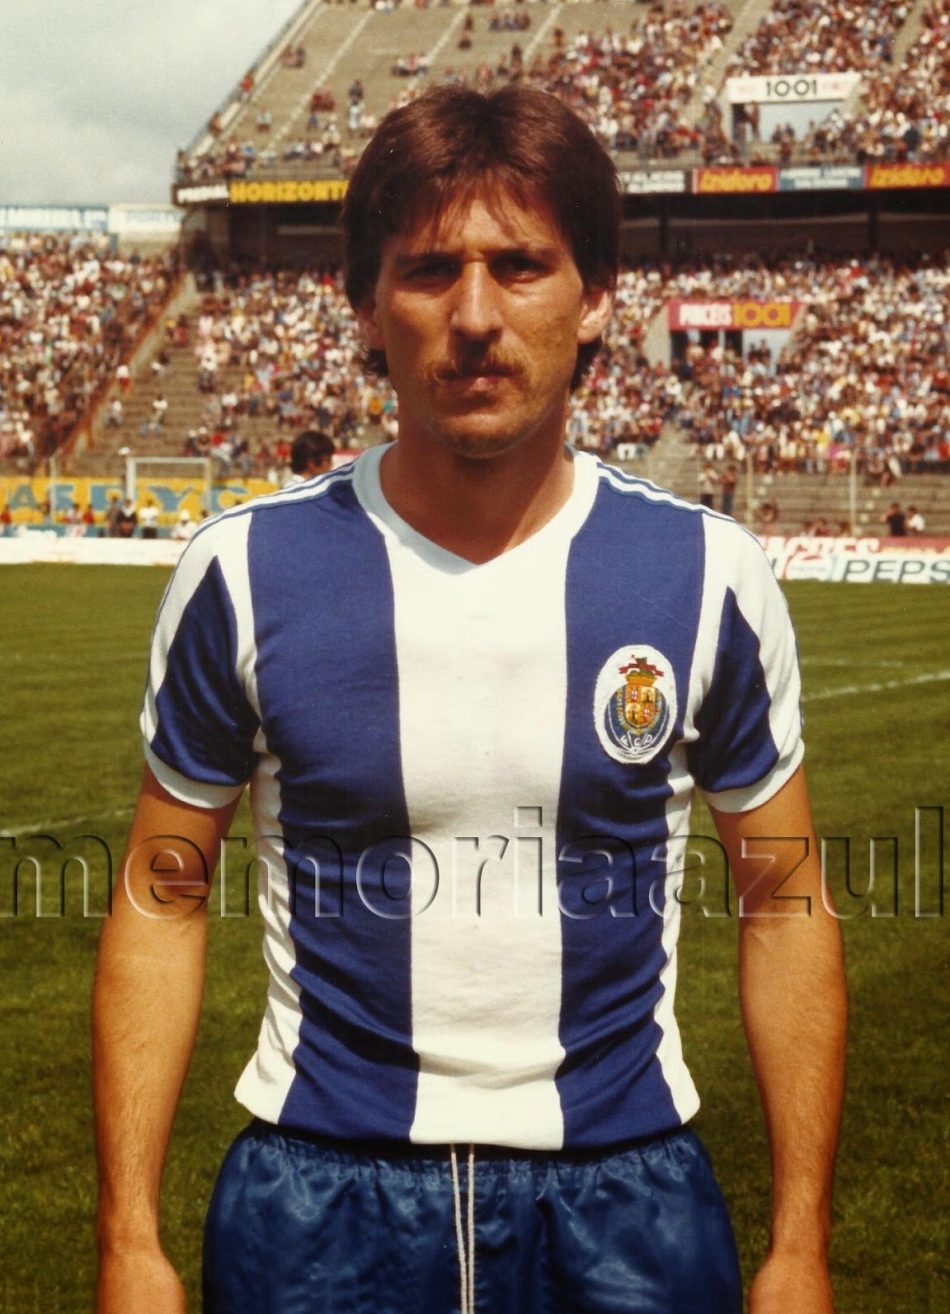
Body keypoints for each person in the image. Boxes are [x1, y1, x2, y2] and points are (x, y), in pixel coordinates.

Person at [94, 86, 846, 1314]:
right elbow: (162, 896)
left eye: (521, 265)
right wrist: (129, 1238)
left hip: (622, 1195)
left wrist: (798, 1244)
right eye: (430, 268)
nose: (477, 316)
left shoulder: (705, 574)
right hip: (319, 1200)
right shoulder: (244, 572)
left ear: (595, 297)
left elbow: (785, 902)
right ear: (365, 304)